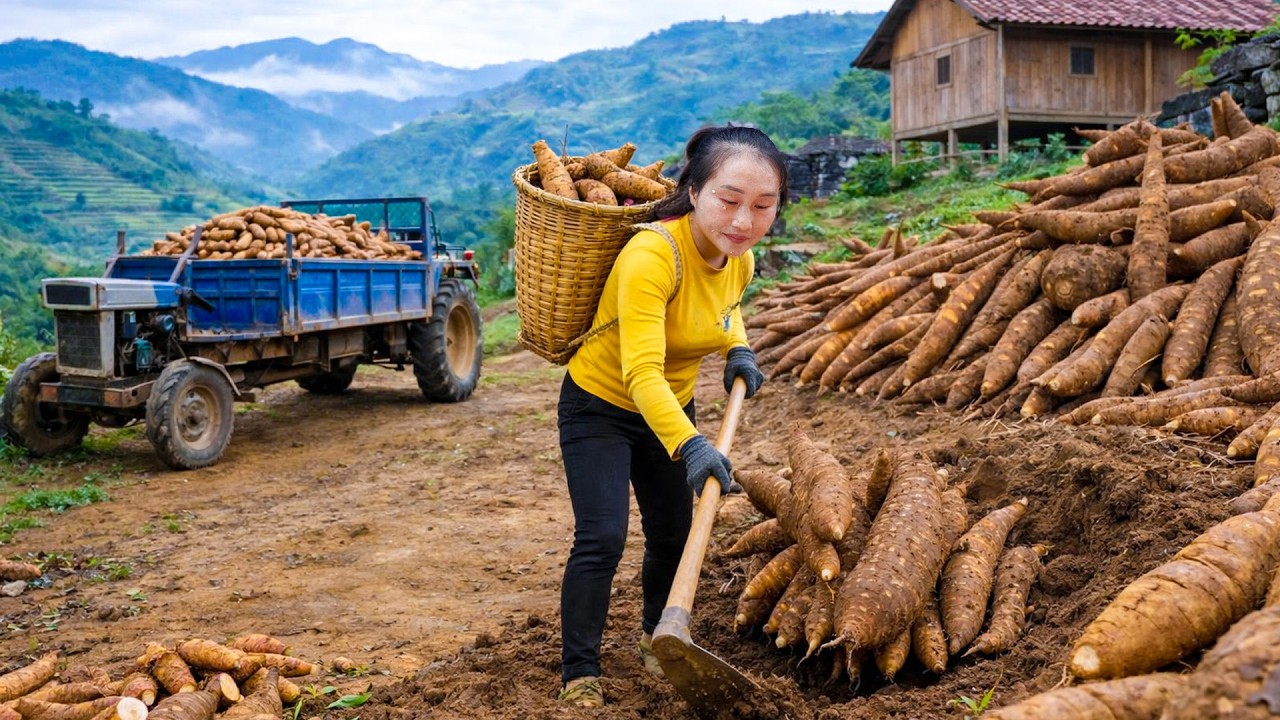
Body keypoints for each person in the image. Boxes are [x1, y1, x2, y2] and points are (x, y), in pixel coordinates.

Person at [555, 124, 789, 708]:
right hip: (600, 405)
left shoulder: (741, 259)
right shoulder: (651, 254)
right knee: (602, 537)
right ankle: (579, 671)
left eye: (763, 206)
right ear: (694, 192)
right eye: (729, 201)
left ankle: (658, 640)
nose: (743, 221)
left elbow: (726, 308)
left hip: (670, 407)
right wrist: (691, 446)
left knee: (672, 531)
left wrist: (738, 345)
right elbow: (640, 373)